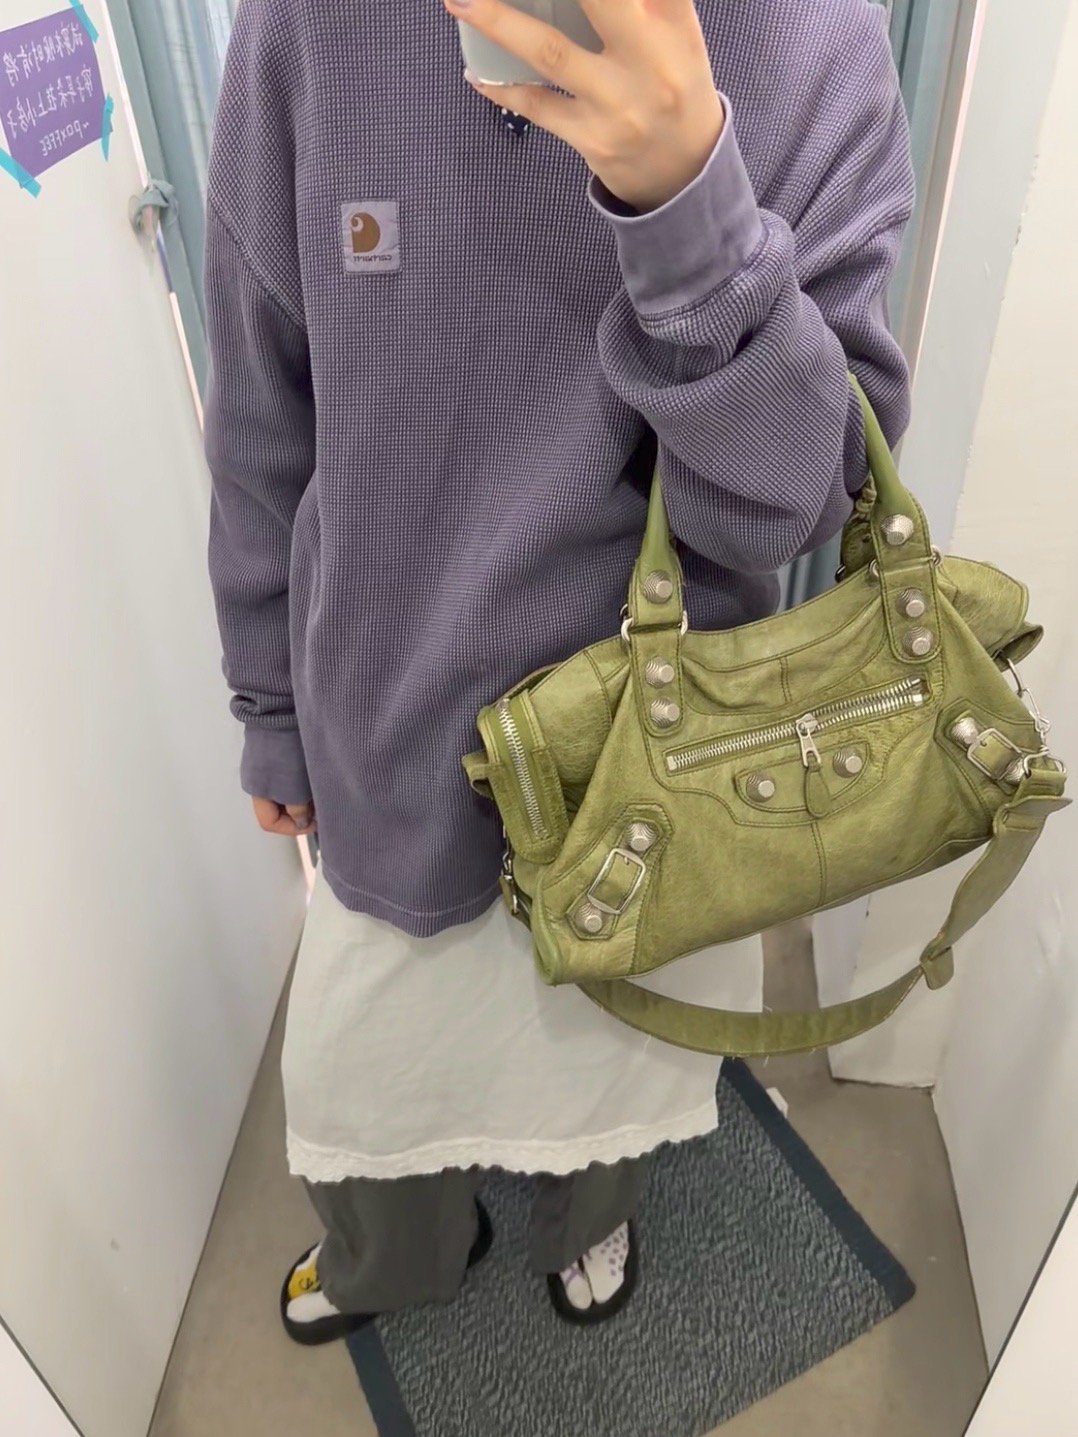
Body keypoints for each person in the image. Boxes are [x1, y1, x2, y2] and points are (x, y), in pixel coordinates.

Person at [204, 0, 914, 1345]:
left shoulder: (816, 39)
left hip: (653, 769)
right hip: (387, 732)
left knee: (615, 1067)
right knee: (369, 1088)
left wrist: (689, 205)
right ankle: (390, 1256)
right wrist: (268, 704)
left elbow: (797, 500)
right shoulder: (306, 25)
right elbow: (260, 409)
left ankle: (585, 1221)